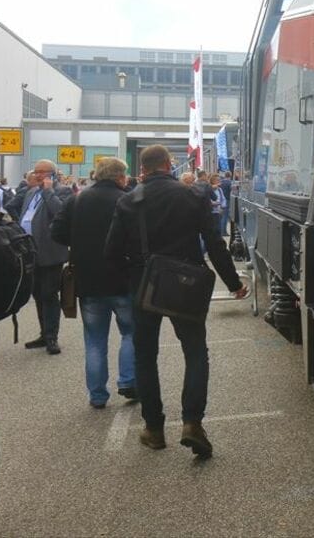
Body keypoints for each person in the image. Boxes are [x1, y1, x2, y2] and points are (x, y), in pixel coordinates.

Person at [105, 145, 247, 458]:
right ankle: (193, 423)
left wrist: (130, 281)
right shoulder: (192, 195)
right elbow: (214, 243)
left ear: (142, 169)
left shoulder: (128, 200)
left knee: (145, 355)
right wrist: (234, 283)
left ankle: (154, 429)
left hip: (145, 284)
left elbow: (111, 252)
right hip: (187, 284)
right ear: (169, 165)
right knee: (195, 352)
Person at [50, 158, 136, 410]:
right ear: (121, 177)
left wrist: (77, 241)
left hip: (88, 280)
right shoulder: (127, 200)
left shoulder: (77, 200)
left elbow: (56, 232)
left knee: (95, 340)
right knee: (131, 332)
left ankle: (98, 395)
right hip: (123, 277)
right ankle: (129, 381)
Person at [15, 160, 73, 355]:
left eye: (42, 172)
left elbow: (60, 213)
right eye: (36, 172)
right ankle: (43, 333)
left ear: (52, 174)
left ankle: (52, 337)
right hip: (29, 252)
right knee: (37, 294)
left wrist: (49, 192)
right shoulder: (31, 192)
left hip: (50, 252)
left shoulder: (62, 191)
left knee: (49, 295)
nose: (38, 175)